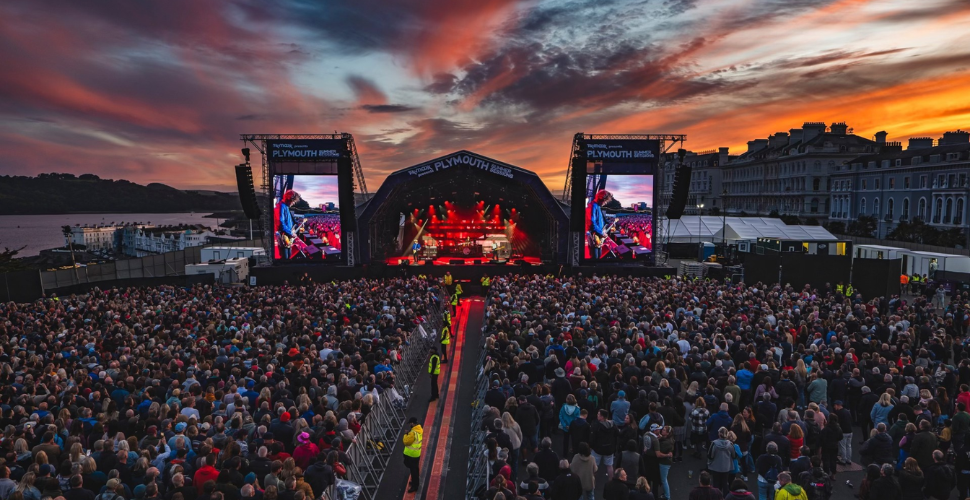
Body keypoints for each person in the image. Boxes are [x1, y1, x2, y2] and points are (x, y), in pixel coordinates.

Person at [586, 189, 613, 259]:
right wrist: (601, 232)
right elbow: (592, 223)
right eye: (606, 200)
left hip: (598, 235)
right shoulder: (593, 206)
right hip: (595, 235)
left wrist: (604, 230)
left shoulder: (597, 206)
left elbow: (600, 222)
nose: (606, 203)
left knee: (599, 256)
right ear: (602, 198)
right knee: (595, 258)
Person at [276, 189, 301, 259]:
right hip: (284, 237)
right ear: (289, 199)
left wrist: (297, 224)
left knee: (289, 257)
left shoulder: (285, 207)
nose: (293, 203)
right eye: (293, 201)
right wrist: (290, 233)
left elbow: (288, 222)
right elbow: (281, 223)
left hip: (287, 236)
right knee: (285, 258)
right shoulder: (281, 206)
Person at [402, 417, 423, 493]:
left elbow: (406, 442)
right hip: (417, 454)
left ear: (413, 423)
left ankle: (415, 486)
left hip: (411, 455)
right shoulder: (419, 430)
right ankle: (415, 482)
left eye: (410, 423)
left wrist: (405, 435)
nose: (410, 425)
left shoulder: (413, 433)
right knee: (415, 470)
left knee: (413, 470)